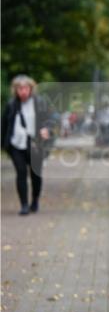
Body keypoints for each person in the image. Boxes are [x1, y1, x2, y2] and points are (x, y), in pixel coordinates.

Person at [2, 75, 56, 215]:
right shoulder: (11, 105)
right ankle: (24, 205)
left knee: (35, 175)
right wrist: (4, 145)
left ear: (31, 89)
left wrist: (47, 129)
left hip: (35, 144)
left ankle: (35, 200)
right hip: (16, 144)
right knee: (21, 173)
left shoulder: (40, 102)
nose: (23, 91)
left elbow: (50, 120)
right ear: (15, 90)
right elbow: (4, 125)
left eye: (25, 88)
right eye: (20, 88)